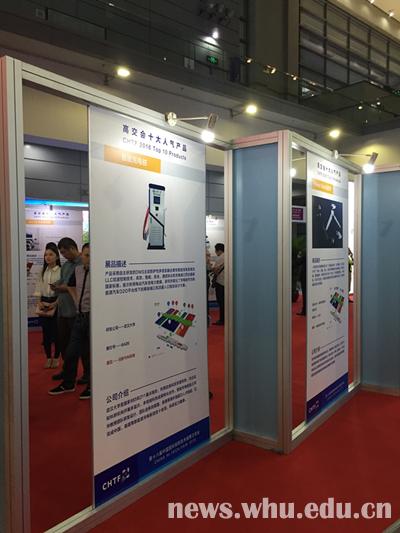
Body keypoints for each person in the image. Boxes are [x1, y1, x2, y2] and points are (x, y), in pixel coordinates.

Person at [49, 243, 91, 399]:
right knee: (71, 352)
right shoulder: (77, 270)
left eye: (90, 255)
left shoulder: (100, 271)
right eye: (86, 255)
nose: (87, 258)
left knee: (90, 354)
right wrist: (76, 299)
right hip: (79, 316)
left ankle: (92, 385)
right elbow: (71, 285)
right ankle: (68, 383)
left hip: (92, 317)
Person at [50, 237, 82, 381]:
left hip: (75, 312)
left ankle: (83, 376)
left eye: (64, 252)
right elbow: (63, 281)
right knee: (64, 345)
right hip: (62, 311)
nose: (63, 255)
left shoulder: (82, 264)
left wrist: (62, 288)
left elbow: (75, 286)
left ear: (72, 249)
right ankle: (67, 371)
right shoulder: (66, 265)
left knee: (77, 348)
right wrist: (56, 285)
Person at [34, 242, 61, 368]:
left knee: (57, 333)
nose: (48, 257)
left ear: (57, 256)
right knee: (46, 333)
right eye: (46, 255)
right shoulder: (42, 270)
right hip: (44, 302)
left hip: (57, 303)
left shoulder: (61, 271)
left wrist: (55, 303)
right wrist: (38, 301)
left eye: (51, 254)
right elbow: (38, 287)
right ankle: (48, 357)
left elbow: (63, 290)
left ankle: (56, 357)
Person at [212, 243, 225, 326]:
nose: (215, 252)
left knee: (221, 302)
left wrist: (212, 268)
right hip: (225, 283)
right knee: (225, 302)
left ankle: (222, 320)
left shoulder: (220, 258)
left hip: (220, 282)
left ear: (219, 250)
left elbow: (215, 270)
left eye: (215, 250)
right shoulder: (227, 256)